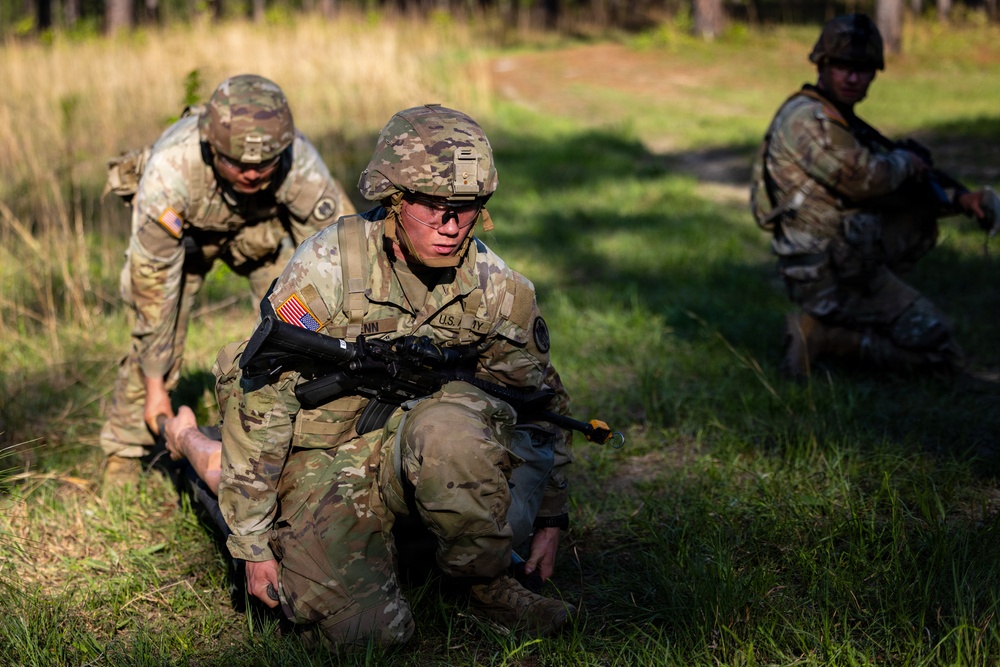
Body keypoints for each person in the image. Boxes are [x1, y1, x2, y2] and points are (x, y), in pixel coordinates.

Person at [166, 104, 577, 646]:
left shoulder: (498, 290)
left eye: (468, 207)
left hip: (424, 447)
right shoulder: (328, 270)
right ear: (395, 199)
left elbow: (539, 401)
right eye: (434, 206)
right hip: (326, 458)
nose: (452, 226)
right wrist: (252, 543)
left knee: (455, 432)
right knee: (364, 634)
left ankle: (484, 585)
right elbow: (263, 397)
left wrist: (551, 517)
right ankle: (193, 445)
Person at [100, 74, 356, 484]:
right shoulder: (171, 171)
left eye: (264, 165)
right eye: (236, 164)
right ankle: (126, 450)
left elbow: (343, 251)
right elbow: (153, 291)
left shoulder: (299, 164)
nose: (252, 175)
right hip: (186, 243)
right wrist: (155, 382)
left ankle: (298, 430)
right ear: (210, 147)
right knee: (155, 331)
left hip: (262, 239)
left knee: (305, 326)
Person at [750, 13, 997, 379]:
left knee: (915, 219)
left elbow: (897, 188)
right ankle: (828, 336)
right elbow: (864, 179)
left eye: (863, 68)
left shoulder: (841, 120)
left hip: (843, 261)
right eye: (843, 66)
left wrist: (960, 200)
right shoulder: (808, 119)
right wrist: (905, 162)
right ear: (822, 64)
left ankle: (847, 321)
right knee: (940, 353)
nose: (852, 77)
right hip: (825, 273)